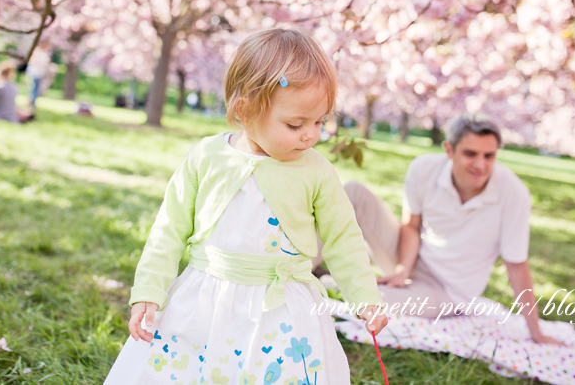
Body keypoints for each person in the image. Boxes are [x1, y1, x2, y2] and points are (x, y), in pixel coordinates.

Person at [104, 29, 387, 385]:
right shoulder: (207, 157)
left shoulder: (315, 170)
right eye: (296, 124)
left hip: (283, 310)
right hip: (206, 301)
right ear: (246, 108)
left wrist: (365, 297)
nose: (310, 135)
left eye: (320, 121)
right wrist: (148, 291)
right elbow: (169, 230)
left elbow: (343, 238)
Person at [314, 113, 563, 345]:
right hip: (409, 259)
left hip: (447, 291)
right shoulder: (423, 169)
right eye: (470, 153)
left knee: (371, 301)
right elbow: (411, 226)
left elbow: (516, 264)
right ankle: (300, 269)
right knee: (354, 192)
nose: (481, 165)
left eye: (489, 156)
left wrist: (536, 332)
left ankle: (331, 282)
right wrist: (402, 270)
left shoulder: (514, 193)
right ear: (449, 149)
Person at [25, 42, 51, 108]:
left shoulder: (44, 53)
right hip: (35, 72)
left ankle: (32, 101)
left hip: (40, 73)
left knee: (36, 88)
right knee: (34, 87)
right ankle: (32, 101)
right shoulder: (37, 52)